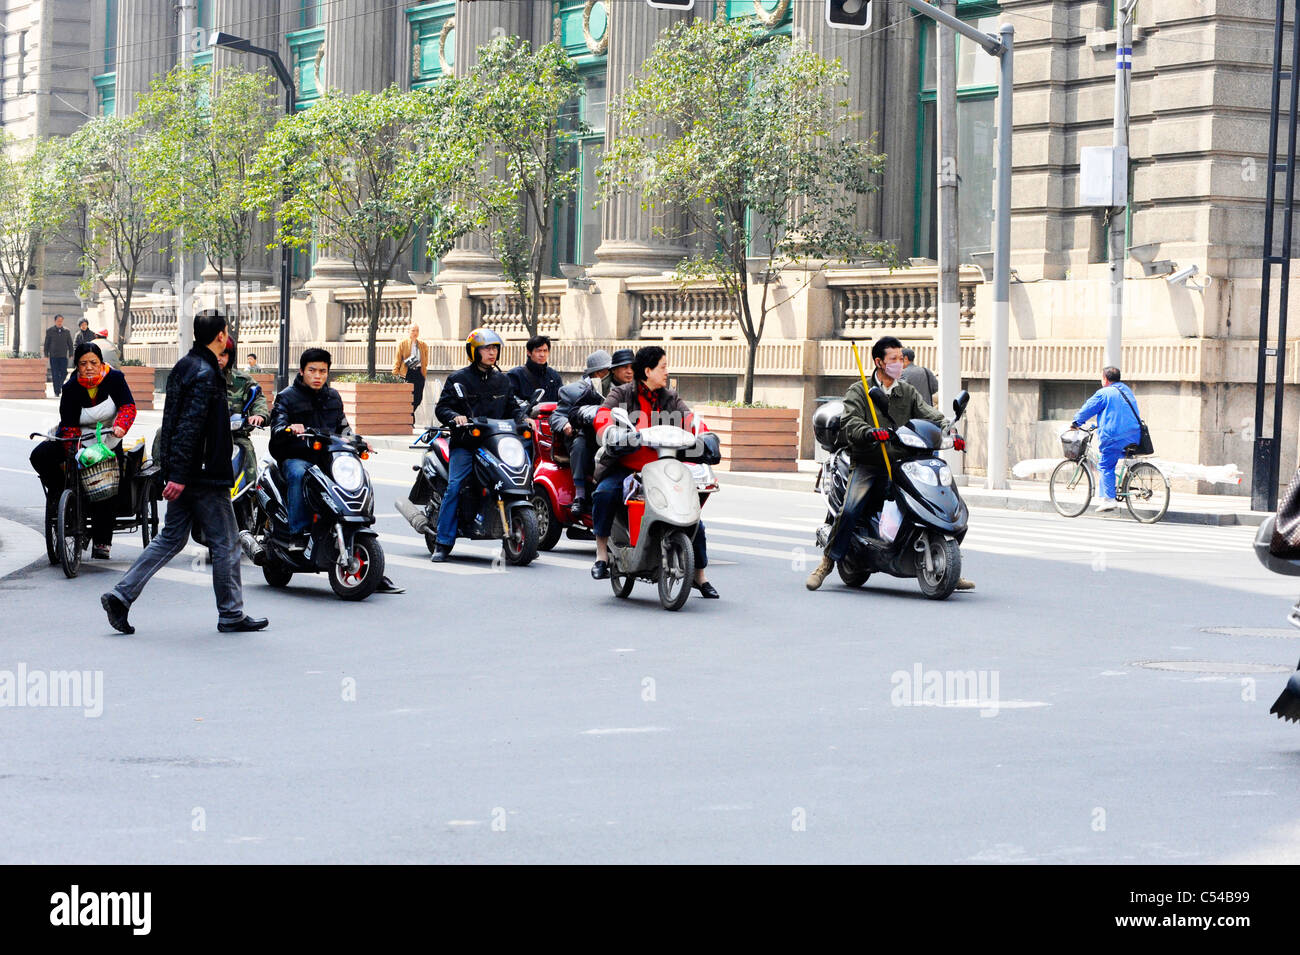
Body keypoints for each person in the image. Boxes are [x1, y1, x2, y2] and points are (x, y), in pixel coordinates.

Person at [101, 309, 267, 635]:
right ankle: (231, 614)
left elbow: (171, 422)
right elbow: (190, 427)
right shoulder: (205, 373)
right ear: (221, 335)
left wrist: (174, 470)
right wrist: (180, 475)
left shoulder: (184, 366)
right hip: (203, 476)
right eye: (226, 332)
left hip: (187, 472)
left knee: (171, 539)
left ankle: (121, 595)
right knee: (227, 543)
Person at [805, 335, 974, 592]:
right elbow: (851, 423)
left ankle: (947, 564)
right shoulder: (859, 391)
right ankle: (827, 562)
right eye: (893, 359)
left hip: (903, 460)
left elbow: (928, 413)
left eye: (900, 359)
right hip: (870, 462)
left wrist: (947, 430)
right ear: (879, 362)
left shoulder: (906, 391)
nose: (899, 364)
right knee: (851, 509)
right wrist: (870, 432)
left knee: (942, 500)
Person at [590, 345, 719, 599]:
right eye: (663, 367)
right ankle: (602, 554)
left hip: (663, 469)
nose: (667, 372)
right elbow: (603, 415)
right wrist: (611, 432)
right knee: (605, 493)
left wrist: (704, 435)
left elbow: (691, 420)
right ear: (647, 371)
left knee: (694, 518)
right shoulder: (622, 394)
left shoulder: (670, 398)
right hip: (628, 469)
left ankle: (699, 575)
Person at [29, 342, 137, 560]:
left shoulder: (115, 379)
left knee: (105, 482)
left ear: (101, 363)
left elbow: (128, 407)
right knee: (40, 455)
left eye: (93, 363)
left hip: (107, 440)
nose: (89, 367)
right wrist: (73, 451)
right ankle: (61, 494)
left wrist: (120, 427)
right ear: (77, 366)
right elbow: (67, 423)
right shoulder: (70, 388)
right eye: (83, 363)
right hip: (78, 439)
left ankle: (102, 541)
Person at [429, 327, 526, 562]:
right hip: (467, 443)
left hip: (495, 444)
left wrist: (525, 419)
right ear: (474, 351)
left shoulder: (502, 380)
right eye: (486, 348)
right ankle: (442, 542)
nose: (492, 353)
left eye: (495, 348)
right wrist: (455, 417)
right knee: (455, 485)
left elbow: (512, 408)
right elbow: (442, 408)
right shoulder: (459, 379)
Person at [268, 347, 353, 546]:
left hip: (327, 457)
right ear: (301, 371)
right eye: (312, 370)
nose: (317, 376)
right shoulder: (286, 396)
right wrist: (289, 428)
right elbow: (277, 426)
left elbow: (343, 428)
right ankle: (298, 533)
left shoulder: (333, 396)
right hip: (296, 457)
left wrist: (358, 440)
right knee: (299, 474)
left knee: (352, 473)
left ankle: (349, 521)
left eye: (322, 371)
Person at [1070, 366, 1142, 513]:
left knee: (1105, 465)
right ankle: (1123, 484)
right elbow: (1118, 414)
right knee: (1115, 458)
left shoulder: (1103, 393)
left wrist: (1076, 423)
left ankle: (1109, 500)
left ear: (1105, 379)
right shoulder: (1126, 390)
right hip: (1135, 434)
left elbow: (1088, 409)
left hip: (1115, 436)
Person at [551, 349, 613, 515]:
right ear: (598, 373)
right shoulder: (573, 390)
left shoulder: (617, 389)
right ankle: (579, 496)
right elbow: (557, 416)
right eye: (606, 371)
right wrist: (565, 425)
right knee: (580, 444)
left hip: (607, 436)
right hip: (579, 435)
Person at [218, 336, 267, 493]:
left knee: (247, 450)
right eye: (215, 354)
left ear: (230, 357)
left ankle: (251, 494)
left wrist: (259, 415)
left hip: (234, 436)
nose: (219, 359)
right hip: (201, 437)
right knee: (162, 432)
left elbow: (258, 400)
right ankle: (160, 479)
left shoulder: (243, 380)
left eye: (223, 355)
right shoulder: (196, 378)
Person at [507, 334, 563, 407]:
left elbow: (562, 400)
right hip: (526, 417)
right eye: (538, 351)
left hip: (552, 416)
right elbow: (511, 403)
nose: (542, 354)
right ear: (529, 353)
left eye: (545, 351)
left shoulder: (554, 375)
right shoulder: (515, 375)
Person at [392, 323, 430, 422]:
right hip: (408, 372)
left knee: (418, 398)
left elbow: (425, 360)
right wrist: (395, 373)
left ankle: (409, 415)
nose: (415, 333)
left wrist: (423, 372)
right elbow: (398, 359)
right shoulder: (403, 344)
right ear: (409, 331)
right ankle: (410, 419)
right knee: (408, 397)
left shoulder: (422, 345)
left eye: (417, 330)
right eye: (413, 330)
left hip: (419, 372)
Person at [43, 315, 74, 398]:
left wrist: (71, 353)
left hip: (63, 356)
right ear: (55, 321)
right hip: (53, 356)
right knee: (55, 374)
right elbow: (46, 344)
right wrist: (46, 354)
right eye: (58, 321)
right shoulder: (50, 331)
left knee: (64, 372)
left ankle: (59, 386)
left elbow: (70, 344)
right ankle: (57, 391)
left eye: (61, 321)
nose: (60, 322)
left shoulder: (66, 331)